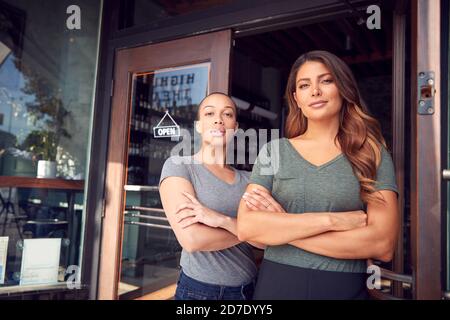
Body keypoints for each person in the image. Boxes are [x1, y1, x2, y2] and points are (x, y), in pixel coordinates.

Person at [159, 92, 366, 300]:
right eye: (209, 113)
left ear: (236, 128)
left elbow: (269, 241)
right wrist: (252, 230)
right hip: (199, 291)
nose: (218, 119)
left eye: (227, 114)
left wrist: (222, 220)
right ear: (198, 126)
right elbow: (192, 239)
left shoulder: (250, 179)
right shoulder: (180, 166)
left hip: (249, 289)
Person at [237, 50, 399, 300]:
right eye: (304, 85)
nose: (315, 91)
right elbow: (248, 227)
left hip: (343, 288)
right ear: (296, 98)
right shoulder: (273, 151)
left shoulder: (371, 154)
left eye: (326, 80)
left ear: (342, 88)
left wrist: (282, 227)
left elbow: (382, 244)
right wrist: (333, 221)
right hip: (276, 284)